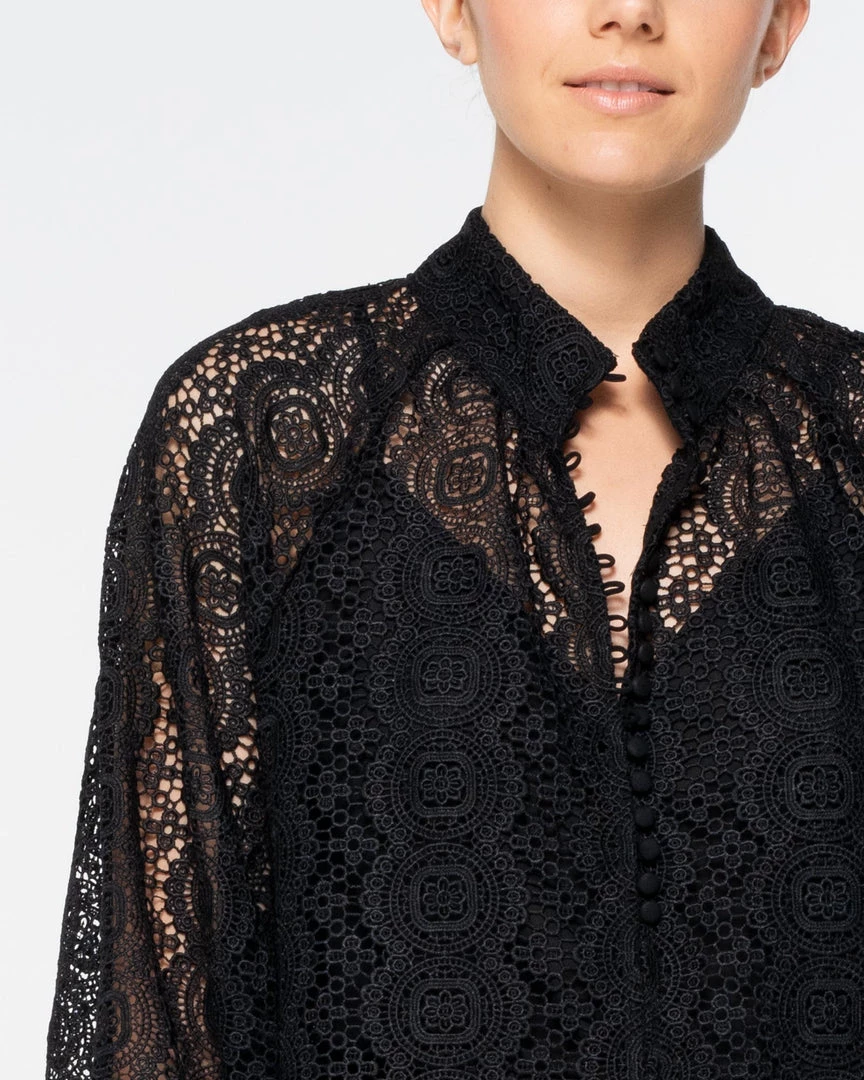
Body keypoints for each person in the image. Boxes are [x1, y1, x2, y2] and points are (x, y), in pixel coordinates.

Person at [45, 1, 864, 1077]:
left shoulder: (848, 443)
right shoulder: (263, 439)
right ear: (450, 6)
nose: (628, 12)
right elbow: (158, 1020)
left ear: (783, 23)